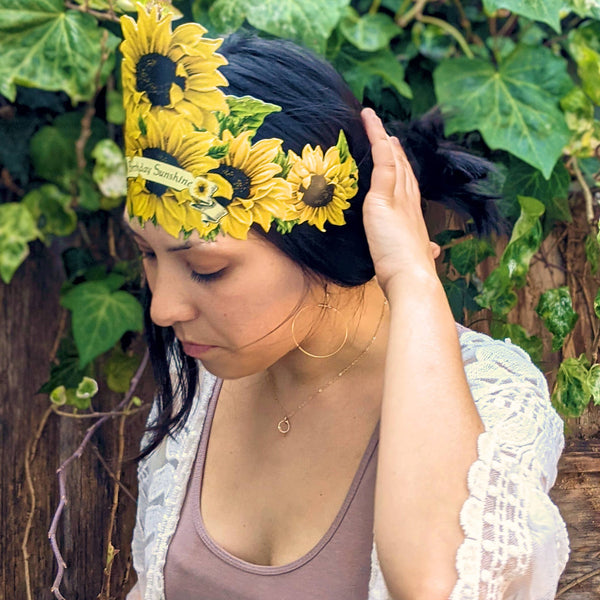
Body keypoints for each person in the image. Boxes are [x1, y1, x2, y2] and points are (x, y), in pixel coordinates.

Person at [121, 5, 569, 599]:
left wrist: (411, 276)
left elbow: (438, 587)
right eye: (148, 255)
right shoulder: (205, 382)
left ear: (319, 241)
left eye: (207, 268)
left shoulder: (492, 400)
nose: (163, 308)